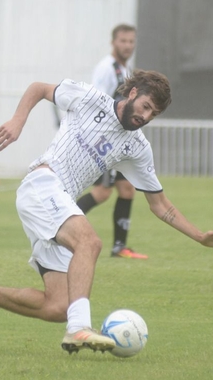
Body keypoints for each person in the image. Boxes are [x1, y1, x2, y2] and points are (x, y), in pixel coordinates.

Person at [0, 70, 213, 353]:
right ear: (132, 93)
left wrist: (200, 236)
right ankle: (80, 329)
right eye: (146, 106)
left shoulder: (137, 148)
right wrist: (18, 121)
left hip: (56, 201)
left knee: (58, 305)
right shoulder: (91, 98)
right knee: (90, 242)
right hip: (42, 184)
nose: (146, 116)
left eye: (153, 114)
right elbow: (39, 88)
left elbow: (160, 204)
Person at [75, 24, 146, 259]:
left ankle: (119, 247)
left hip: (120, 140)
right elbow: (97, 102)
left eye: (131, 41)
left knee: (126, 189)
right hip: (106, 140)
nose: (127, 45)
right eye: (123, 41)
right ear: (113, 42)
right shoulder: (106, 69)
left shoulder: (125, 69)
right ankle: (61, 220)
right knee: (103, 191)